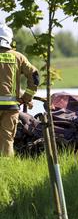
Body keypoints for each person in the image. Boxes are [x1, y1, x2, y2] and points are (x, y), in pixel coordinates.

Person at [0, 24, 39, 157]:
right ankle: (6, 170)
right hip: (11, 107)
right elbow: (35, 76)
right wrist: (27, 97)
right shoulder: (18, 57)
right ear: (9, 39)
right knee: (7, 140)